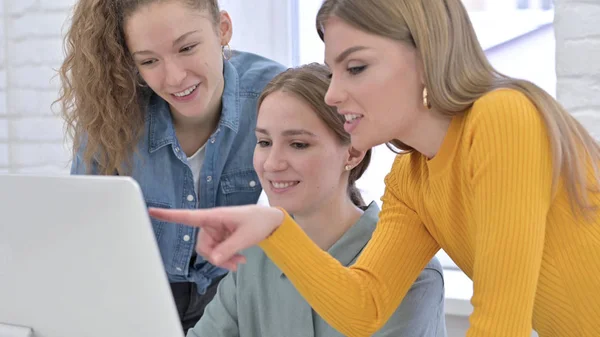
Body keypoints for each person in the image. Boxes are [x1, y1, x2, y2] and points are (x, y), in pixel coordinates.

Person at [149, 0, 600, 336]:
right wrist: (274, 227)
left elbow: (502, 325)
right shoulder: (411, 179)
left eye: (356, 67)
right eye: (334, 71)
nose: (332, 94)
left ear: (427, 56)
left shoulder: (502, 117)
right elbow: (362, 307)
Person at [56, 0, 285, 332]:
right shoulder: (110, 114)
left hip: (235, 293)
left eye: (187, 48)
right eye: (149, 61)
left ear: (223, 29)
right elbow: (84, 240)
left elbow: (316, 208)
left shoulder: (273, 96)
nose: (175, 77)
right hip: (138, 297)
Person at [187, 63, 447, 337]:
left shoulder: (412, 273)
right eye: (264, 142)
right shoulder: (251, 255)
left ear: (353, 153)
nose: (272, 163)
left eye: (298, 144)